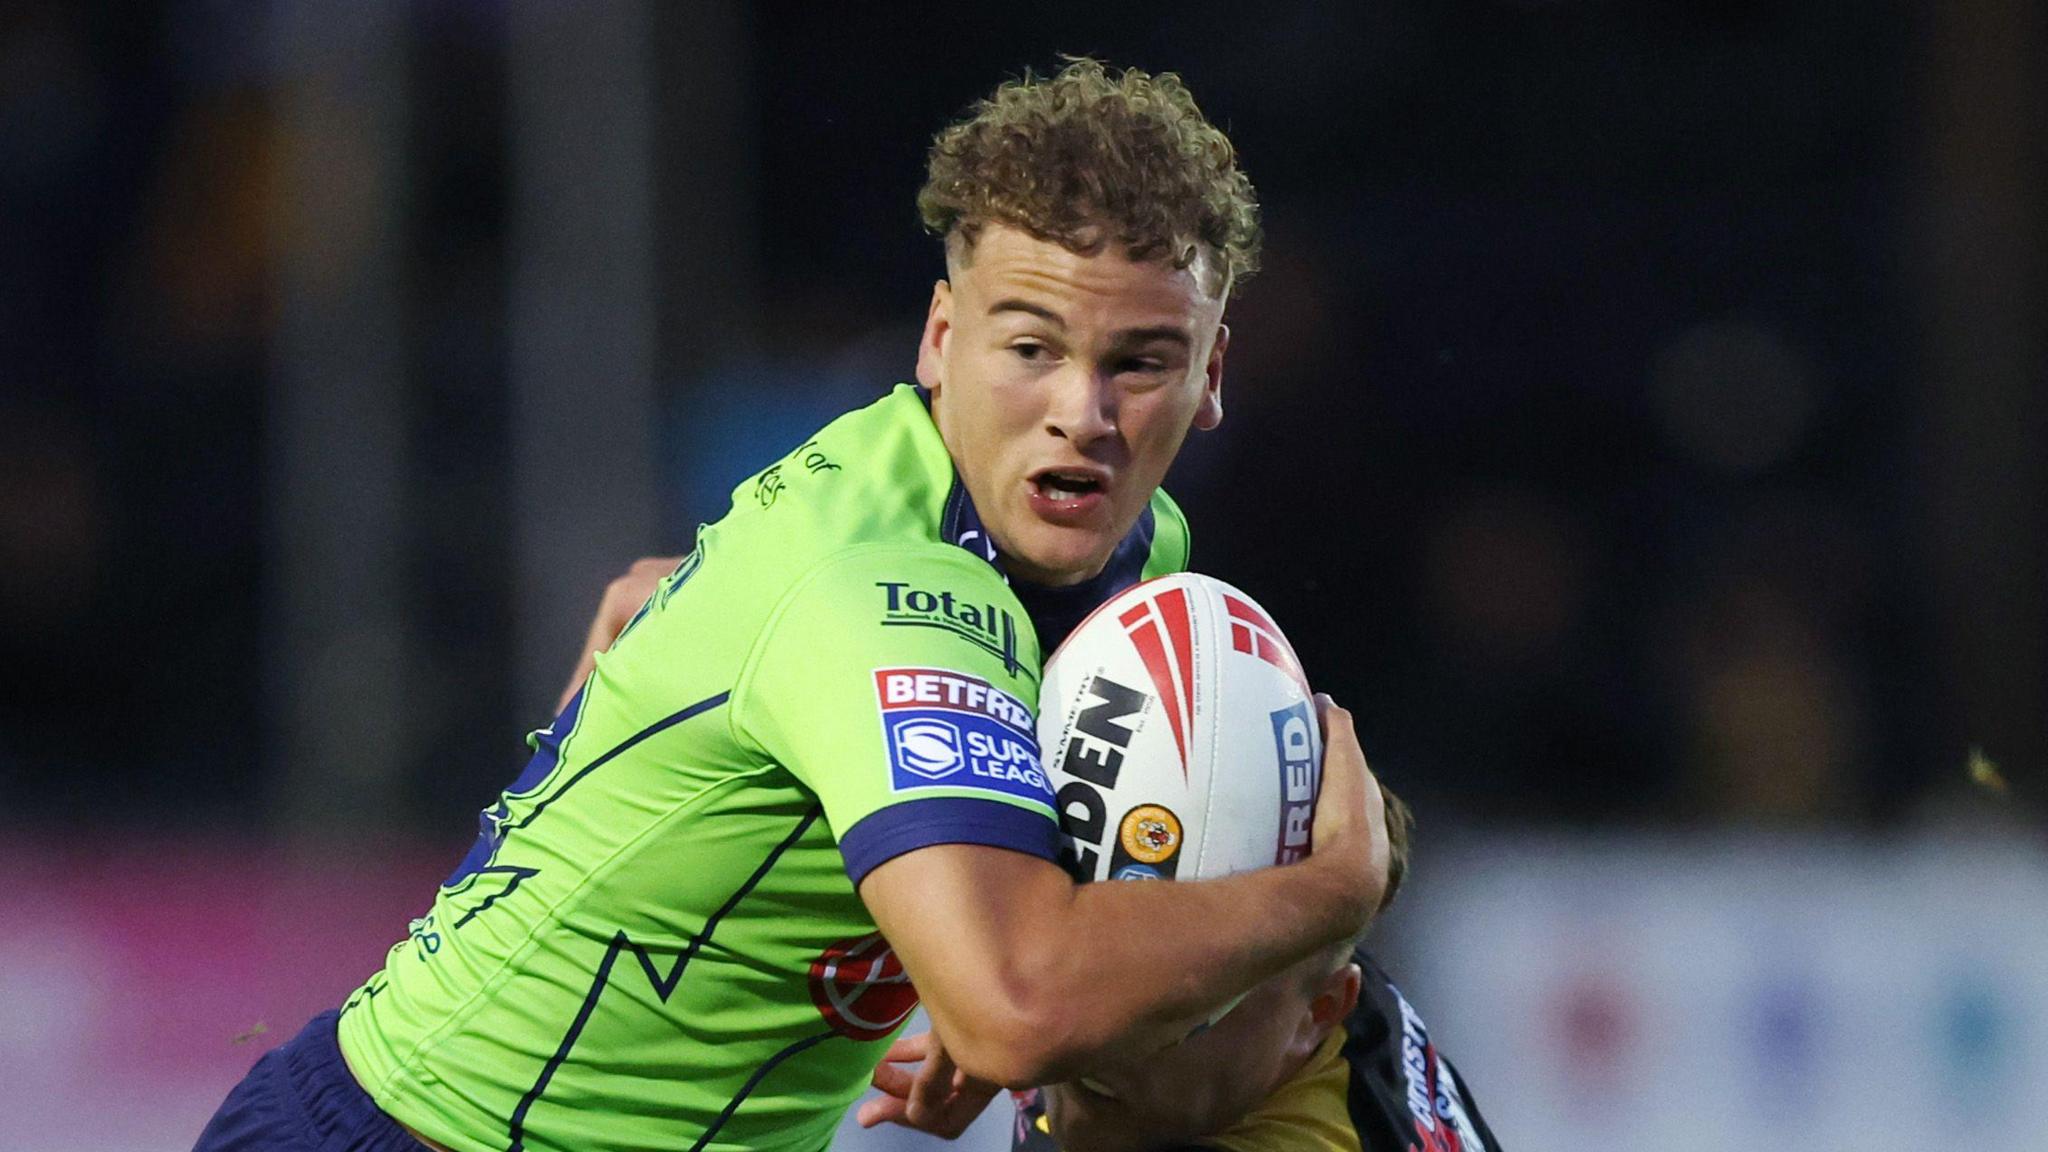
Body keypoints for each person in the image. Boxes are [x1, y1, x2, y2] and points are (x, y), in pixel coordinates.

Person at [195, 59, 1392, 1152]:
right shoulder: (874, 590)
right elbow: (1021, 1006)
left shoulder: (1116, 546)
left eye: (1138, 362)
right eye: (1030, 349)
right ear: (938, 339)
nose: (1082, 413)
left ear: (1210, 375)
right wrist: (1331, 893)